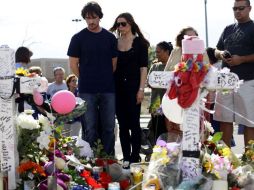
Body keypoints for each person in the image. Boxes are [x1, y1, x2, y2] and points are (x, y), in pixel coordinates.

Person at [67, 1, 118, 155]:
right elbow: (73, 64)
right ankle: (90, 161)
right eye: (87, 18)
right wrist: (86, 77)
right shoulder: (78, 38)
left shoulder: (110, 37)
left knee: (109, 126)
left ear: (99, 17)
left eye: (93, 17)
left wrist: (103, 77)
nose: (90, 21)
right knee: (89, 127)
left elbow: (113, 64)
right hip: (86, 90)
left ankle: (109, 159)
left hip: (108, 89)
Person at [109, 12, 149, 168]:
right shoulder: (114, 42)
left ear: (131, 24)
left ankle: (135, 156)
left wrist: (141, 89)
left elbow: (143, 68)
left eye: (123, 23)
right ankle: (126, 157)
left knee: (134, 124)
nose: (120, 27)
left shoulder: (140, 43)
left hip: (134, 88)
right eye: (118, 24)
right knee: (123, 124)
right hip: (117, 88)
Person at [214, 0, 254, 148]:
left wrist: (241, 59)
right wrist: (221, 54)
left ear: (249, 8)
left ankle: (250, 160)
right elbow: (216, 50)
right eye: (235, 9)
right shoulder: (228, 28)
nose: (237, 11)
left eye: (241, 8)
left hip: (247, 81)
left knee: (249, 121)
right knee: (224, 120)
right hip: (225, 81)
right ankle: (225, 161)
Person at [164, 26, 210, 133]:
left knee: (197, 128)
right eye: (188, 36)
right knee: (175, 129)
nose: (191, 39)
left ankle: (197, 148)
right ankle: (174, 149)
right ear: (181, 39)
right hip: (176, 96)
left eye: (194, 37)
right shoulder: (176, 51)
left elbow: (207, 70)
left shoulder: (202, 51)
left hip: (197, 95)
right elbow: (167, 72)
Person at [147, 41, 173, 141]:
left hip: (170, 106)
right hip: (156, 106)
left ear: (167, 52)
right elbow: (149, 82)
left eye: (158, 52)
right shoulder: (155, 66)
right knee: (157, 133)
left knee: (170, 132)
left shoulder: (174, 67)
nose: (156, 54)